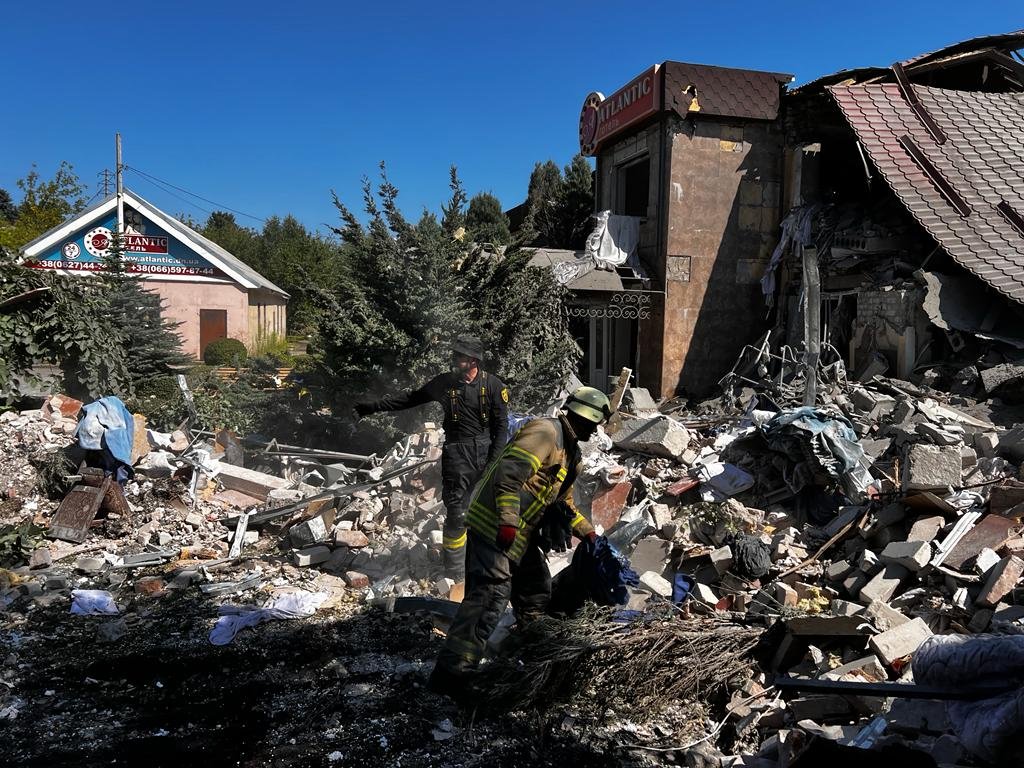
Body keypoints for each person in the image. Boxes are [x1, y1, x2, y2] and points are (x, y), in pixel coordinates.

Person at [428, 385, 611, 697]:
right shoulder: (545, 433)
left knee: (536, 590)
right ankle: (451, 674)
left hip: (520, 537)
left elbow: (563, 504)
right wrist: (509, 520)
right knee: (489, 598)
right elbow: (509, 475)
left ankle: (525, 655)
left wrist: (588, 533)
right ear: (577, 416)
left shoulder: (572, 455)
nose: (593, 431)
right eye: (590, 423)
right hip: (494, 527)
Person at [354, 335, 508, 579]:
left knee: (485, 511)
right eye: (454, 354)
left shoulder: (493, 386)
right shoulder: (444, 383)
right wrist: (372, 407)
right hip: (456, 454)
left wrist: (493, 463)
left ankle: (485, 563)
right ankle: (455, 571)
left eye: (460, 355)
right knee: (456, 512)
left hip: (485, 453)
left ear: (473, 360)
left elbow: (501, 427)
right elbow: (411, 398)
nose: (454, 359)